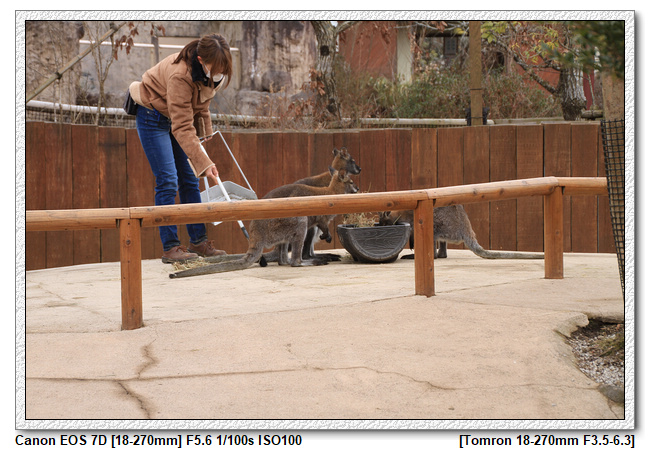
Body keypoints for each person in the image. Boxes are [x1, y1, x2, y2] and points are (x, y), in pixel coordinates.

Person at [128, 34, 232, 263]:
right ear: (201, 60)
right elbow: (182, 126)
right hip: (152, 116)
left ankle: (198, 241)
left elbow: (201, 105)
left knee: (190, 179)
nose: (219, 74)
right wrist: (204, 163)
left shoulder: (208, 73)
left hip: (174, 118)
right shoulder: (180, 75)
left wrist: (204, 135)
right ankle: (171, 248)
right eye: (216, 69)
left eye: (222, 69)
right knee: (168, 179)